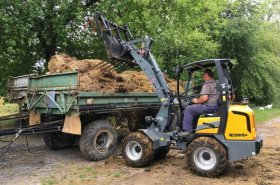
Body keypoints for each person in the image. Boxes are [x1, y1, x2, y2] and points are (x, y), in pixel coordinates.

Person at [178, 69, 219, 137]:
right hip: (214, 106)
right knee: (195, 108)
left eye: (203, 75)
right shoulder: (215, 83)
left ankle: (187, 130)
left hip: (208, 106)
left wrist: (197, 101)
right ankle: (194, 128)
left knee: (189, 109)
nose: (203, 77)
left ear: (206, 75)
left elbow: (204, 98)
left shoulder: (207, 84)